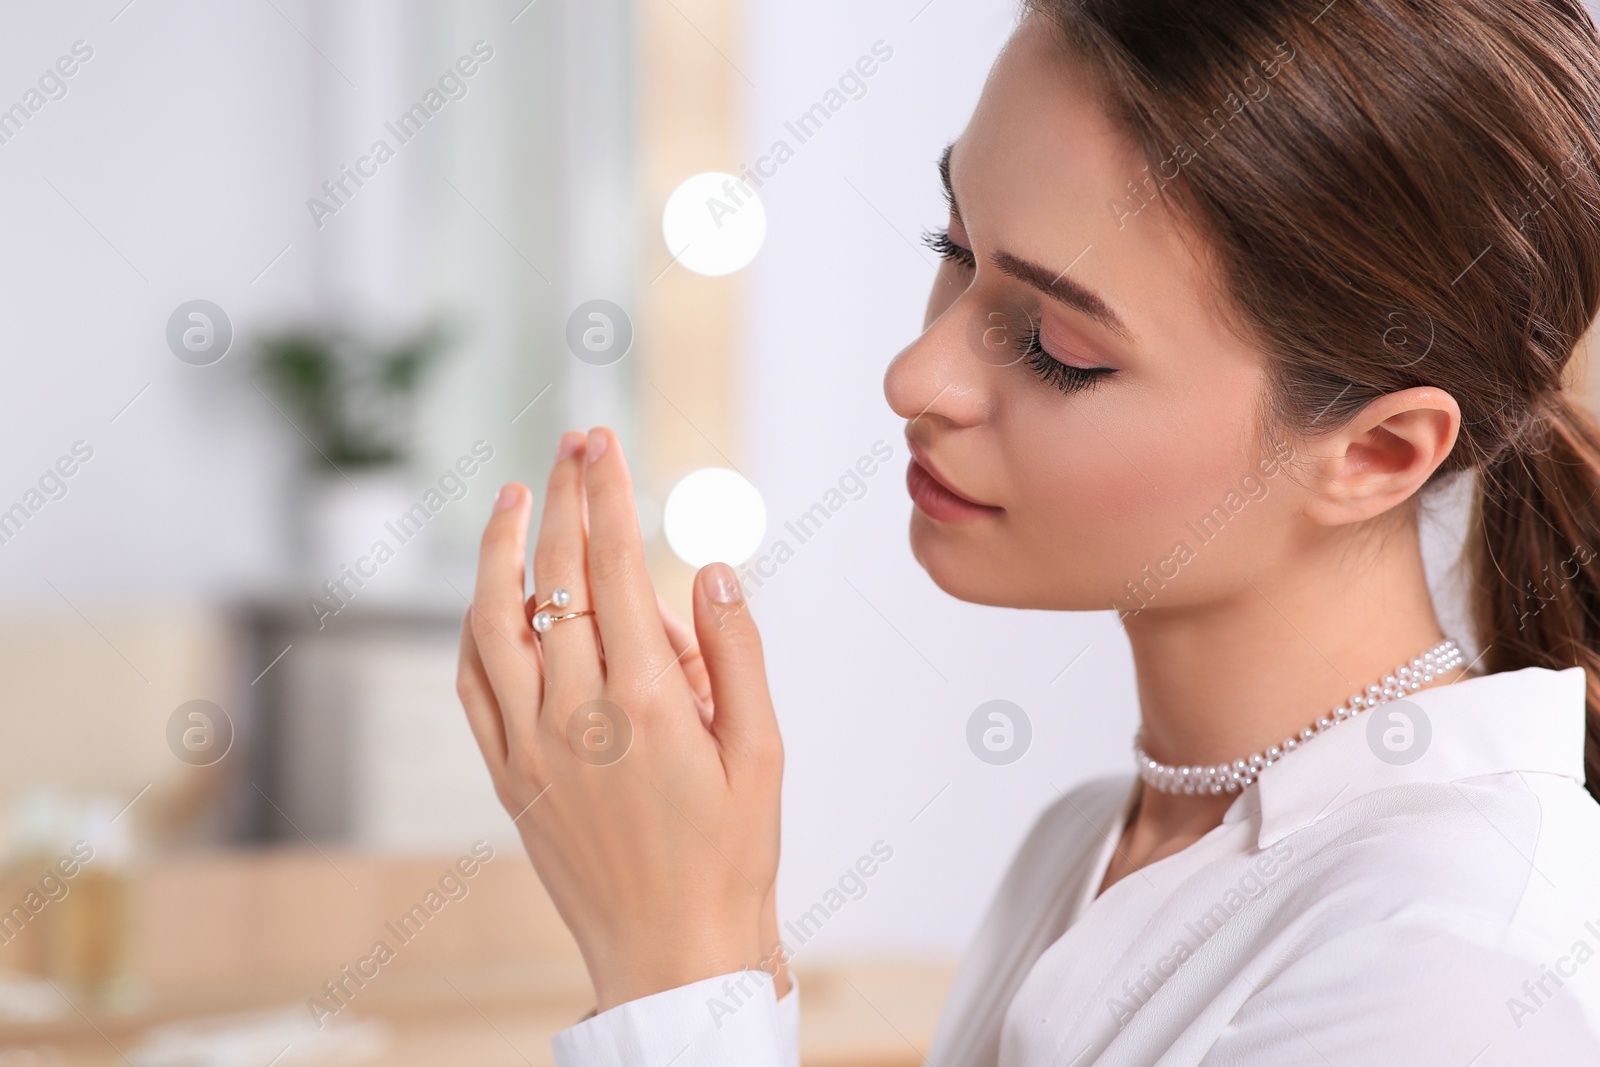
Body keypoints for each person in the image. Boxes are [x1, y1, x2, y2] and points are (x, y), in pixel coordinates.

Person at [455, 0, 1600, 1062]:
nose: (915, 374)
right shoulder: (1086, 842)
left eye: (1060, 344)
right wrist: (731, 919)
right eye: (951, 250)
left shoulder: (1458, 953)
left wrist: (674, 961)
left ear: (1375, 452)